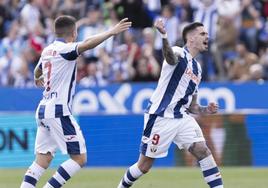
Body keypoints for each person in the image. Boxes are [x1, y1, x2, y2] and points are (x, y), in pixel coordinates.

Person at [20, 15, 131, 188]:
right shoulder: (65, 50)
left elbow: (37, 69)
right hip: (58, 110)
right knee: (79, 158)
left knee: (43, 159)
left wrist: (37, 78)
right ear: (73, 33)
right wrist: (112, 32)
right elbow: (87, 44)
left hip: (42, 109)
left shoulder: (47, 50)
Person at [117, 19, 224, 188]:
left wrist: (206, 109)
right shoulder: (177, 52)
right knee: (144, 166)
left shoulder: (198, 69)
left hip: (181, 116)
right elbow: (170, 58)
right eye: (203, 34)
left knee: (203, 150)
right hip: (161, 116)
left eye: (207, 34)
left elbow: (192, 106)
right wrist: (164, 35)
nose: (207, 37)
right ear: (191, 39)